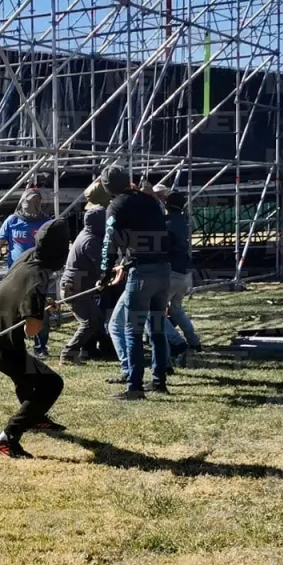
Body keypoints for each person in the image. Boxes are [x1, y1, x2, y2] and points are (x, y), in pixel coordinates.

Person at [0, 219, 69, 459]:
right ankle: (5, 439)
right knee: (51, 384)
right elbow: (32, 329)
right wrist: (40, 311)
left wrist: (39, 305)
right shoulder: (37, 279)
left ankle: (36, 418)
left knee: (27, 377)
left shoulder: (28, 255)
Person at [100, 164, 174, 399]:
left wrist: (104, 273)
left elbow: (108, 242)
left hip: (141, 272)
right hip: (163, 270)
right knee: (157, 328)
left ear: (107, 187)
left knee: (132, 329)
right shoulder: (149, 200)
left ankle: (134, 386)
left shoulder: (116, 206)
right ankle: (159, 380)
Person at [0, 188, 54, 357]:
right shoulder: (12, 221)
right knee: (13, 312)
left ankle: (40, 347)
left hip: (38, 273)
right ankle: (13, 345)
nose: (34, 205)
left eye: (37, 202)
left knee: (39, 310)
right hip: (15, 274)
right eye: (30, 202)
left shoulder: (46, 222)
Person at [155, 184, 203, 354]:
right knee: (176, 310)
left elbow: (161, 247)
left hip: (170, 273)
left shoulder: (166, 224)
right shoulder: (183, 221)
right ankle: (194, 341)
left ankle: (176, 342)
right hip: (183, 273)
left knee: (155, 313)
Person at [58, 199, 106, 365]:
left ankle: (89, 351)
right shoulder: (90, 240)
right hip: (75, 287)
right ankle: (68, 353)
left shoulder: (87, 235)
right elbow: (101, 265)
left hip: (78, 285)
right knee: (89, 322)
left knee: (97, 319)